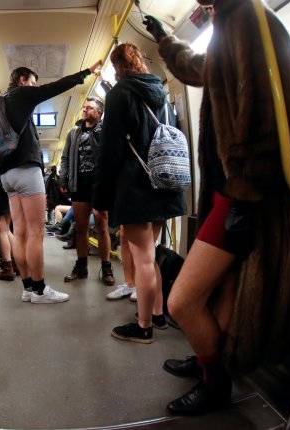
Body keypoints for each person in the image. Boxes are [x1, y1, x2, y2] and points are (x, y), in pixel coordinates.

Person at [144, 0, 290, 415]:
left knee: (182, 301)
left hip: (244, 193)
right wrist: (166, 41)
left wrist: (241, 196)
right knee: (221, 298)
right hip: (235, 191)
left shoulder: (248, 20)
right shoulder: (235, 22)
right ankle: (209, 362)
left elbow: (260, 118)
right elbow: (201, 69)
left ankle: (216, 384)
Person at [92, 42, 186, 344]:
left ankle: (143, 326)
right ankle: (157, 313)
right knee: (151, 256)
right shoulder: (161, 94)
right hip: (163, 182)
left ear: (117, 67)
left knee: (143, 258)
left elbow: (109, 152)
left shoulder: (119, 94)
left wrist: (101, 199)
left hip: (135, 187)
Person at [1, 60, 102, 304]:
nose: (36, 87)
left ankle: (27, 288)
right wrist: (85, 73)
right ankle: (40, 289)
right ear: (23, 81)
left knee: (20, 232)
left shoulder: (3, 104)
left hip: (7, 174)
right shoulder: (20, 95)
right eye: (33, 83)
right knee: (36, 233)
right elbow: (54, 88)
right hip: (26, 171)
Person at [59, 97, 114, 286]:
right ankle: (81, 266)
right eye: (84, 107)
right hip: (79, 184)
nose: (84, 110)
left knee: (102, 225)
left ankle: (106, 267)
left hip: (99, 185)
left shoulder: (105, 131)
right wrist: (63, 178)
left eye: (89, 108)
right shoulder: (73, 133)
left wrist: (97, 131)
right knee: (81, 227)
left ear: (99, 113)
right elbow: (65, 157)